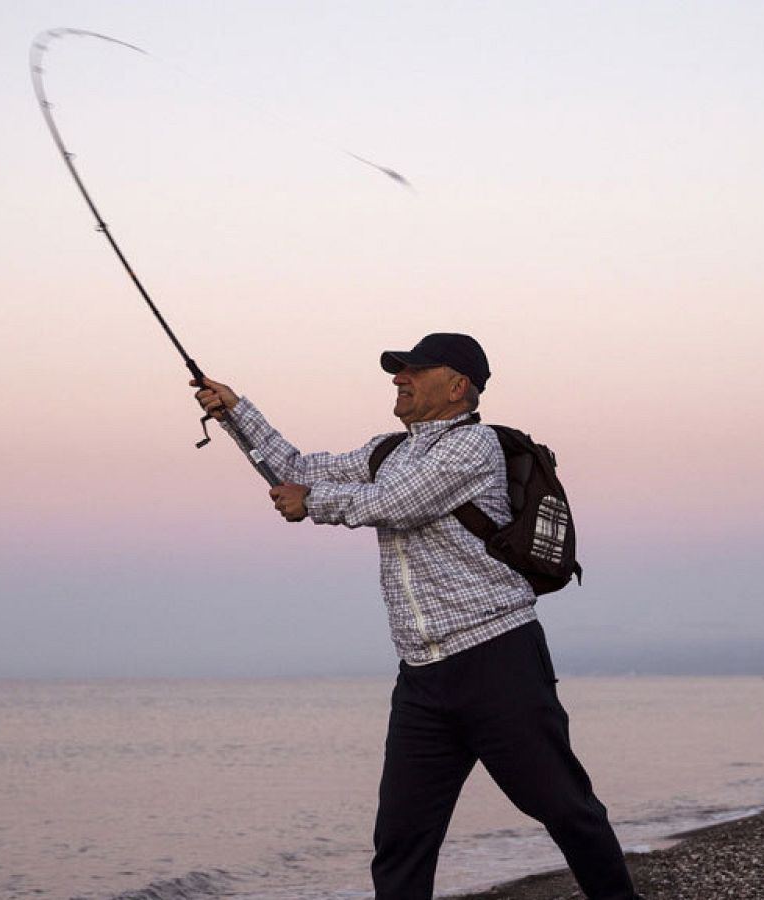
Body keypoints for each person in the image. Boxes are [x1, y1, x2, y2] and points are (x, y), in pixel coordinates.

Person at [193, 333, 642, 900]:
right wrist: (236, 412)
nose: (399, 378)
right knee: (401, 840)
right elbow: (296, 467)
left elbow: (396, 504)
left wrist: (313, 503)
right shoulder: (387, 452)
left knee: (564, 809)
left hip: (496, 660)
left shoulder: (473, 447)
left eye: (414, 370)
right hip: (422, 678)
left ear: (458, 386)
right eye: (398, 370)